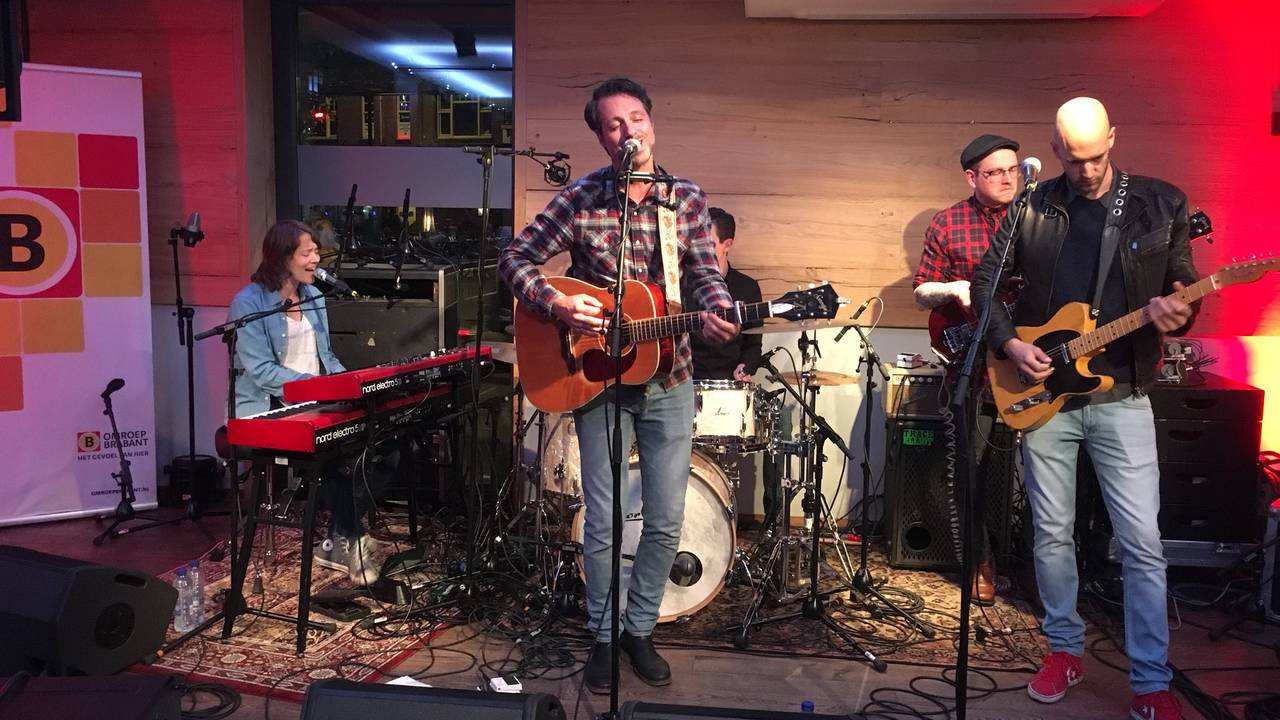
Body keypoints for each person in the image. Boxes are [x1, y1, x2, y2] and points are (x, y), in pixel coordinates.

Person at [498, 77, 738, 693]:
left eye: (636, 119)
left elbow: (706, 276)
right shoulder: (581, 198)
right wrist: (556, 304)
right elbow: (515, 260)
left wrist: (718, 312)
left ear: (651, 123)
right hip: (596, 377)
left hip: (671, 376)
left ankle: (640, 627)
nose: (628, 131)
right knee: (602, 518)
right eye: (613, 124)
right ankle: (602, 635)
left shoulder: (683, 198)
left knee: (664, 517)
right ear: (600, 136)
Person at [971, 97, 1196, 720]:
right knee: (1050, 533)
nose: (1088, 170)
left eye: (1097, 157)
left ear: (1113, 140)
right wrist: (1010, 343)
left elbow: (1183, 283)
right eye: (1074, 159)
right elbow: (987, 286)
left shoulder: (1161, 203)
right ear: (1056, 148)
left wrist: (1181, 310)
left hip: (1123, 392)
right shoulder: (1033, 205)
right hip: (1046, 397)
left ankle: (1151, 680)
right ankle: (1064, 649)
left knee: (1142, 542)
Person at [228, 220, 380, 586]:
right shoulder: (247, 303)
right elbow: (263, 372)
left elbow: (325, 355)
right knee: (337, 455)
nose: (316, 259)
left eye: (316, 251)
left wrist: (349, 386)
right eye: (307, 252)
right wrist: (319, 388)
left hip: (316, 398)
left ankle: (339, 535)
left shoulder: (313, 296)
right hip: (271, 406)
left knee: (383, 445)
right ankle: (349, 540)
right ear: (283, 258)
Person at [912, 134, 1022, 606]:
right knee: (970, 470)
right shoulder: (948, 222)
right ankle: (980, 559)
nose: (1007, 178)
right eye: (995, 172)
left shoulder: (1034, 219)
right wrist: (954, 288)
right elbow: (920, 292)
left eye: (1012, 170)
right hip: (972, 366)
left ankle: (1031, 560)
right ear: (972, 177)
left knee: (1021, 469)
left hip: (1027, 360)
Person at [689, 207, 762, 381]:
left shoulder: (747, 287)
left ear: (727, 244)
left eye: (707, 244)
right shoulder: (682, 283)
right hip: (684, 380)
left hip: (727, 380)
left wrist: (746, 366)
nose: (699, 250)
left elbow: (753, 344)